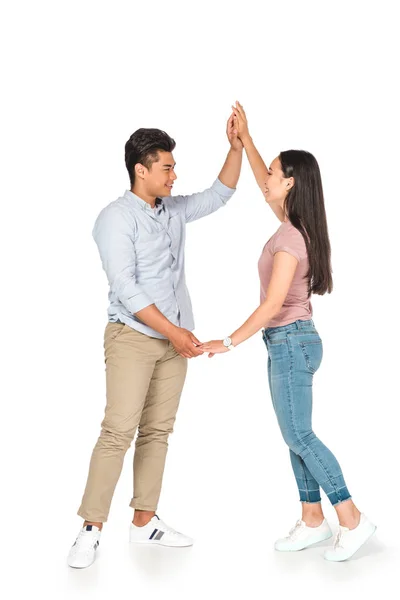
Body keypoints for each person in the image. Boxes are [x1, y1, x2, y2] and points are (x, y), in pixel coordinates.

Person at [199, 101, 376, 562]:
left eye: (275, 172)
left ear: (291, 183)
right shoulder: (292, 225)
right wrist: (246, 142)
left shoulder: (290, 238)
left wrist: (228, 341)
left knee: (301, 435)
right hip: (291, 342)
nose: (267, 178)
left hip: (290, 340)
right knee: (295, 433)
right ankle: (313, 519)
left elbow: (273, 303)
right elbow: (262, 180)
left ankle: (352, 518)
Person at [67, 115, 243, 569]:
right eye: (166, 167)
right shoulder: (114, 218)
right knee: (117, 432)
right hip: (134, 338)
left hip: (175, 342)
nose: (174, 175)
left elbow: (220, 195)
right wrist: (175, 332)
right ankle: (90, 529)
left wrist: (237, 146)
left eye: (173, 166)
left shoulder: (173, 209)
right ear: (140, 170)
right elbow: (126, 287)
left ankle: (144, 520)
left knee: (158, 432)